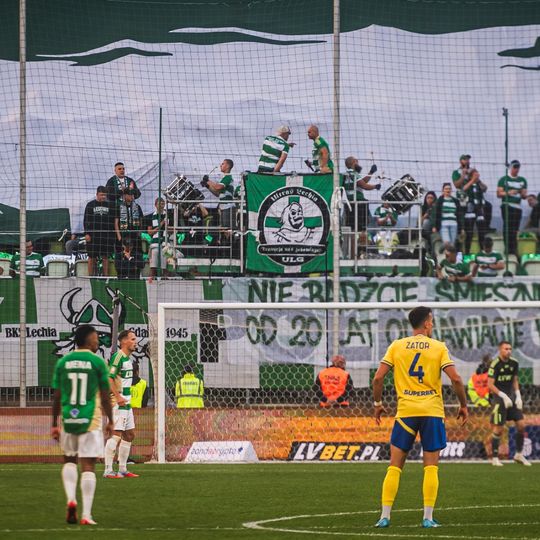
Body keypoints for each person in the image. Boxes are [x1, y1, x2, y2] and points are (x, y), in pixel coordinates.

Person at [372, 306, 468, 528]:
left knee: (395, 466)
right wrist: (463, 405)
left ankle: (384, 516)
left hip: (406, 412)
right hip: (431, 412)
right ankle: (427, 518)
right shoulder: (438, 347)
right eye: (431, 321)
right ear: (426, 323)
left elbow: (378, 378)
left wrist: (378, 404)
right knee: (431, 467)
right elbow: (456, 379)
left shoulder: (397, 346)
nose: (432, 324)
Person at [51, 324, 114, 526]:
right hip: (90, 421)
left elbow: (57, 395)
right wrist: (110, 420)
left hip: (69, 420)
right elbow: (105, 396)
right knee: (88, 466)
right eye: (96, 337)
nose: (98, 340)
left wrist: (54, 424)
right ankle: (86, 515)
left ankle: (71, 499)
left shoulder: (63, 362)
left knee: (69, 461)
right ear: (88, 339)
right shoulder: (97, 362)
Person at [103, 329, 140, 478]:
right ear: (123, 341)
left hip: (127, 402)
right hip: (118, 402)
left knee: (129, 435)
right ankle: (108, 470)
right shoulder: (118, 357)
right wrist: (117, 397)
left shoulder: (128, 360)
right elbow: (109, 378)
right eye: (132, 339)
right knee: (116, 435)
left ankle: (123, 469)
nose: (135, 342)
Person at [488, 341, 531, 467]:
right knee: (498, 429)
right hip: (499, 399)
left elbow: (515, 380)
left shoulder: (514, 363)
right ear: (500, 350)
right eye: (506, 349)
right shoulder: (495, 364)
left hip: (511, 398)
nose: (508, 351)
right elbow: (490, 385)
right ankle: (495, 458)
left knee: (521, 425)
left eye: (510, 349)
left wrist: (518, 396)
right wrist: (502, 395)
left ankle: (518, 454)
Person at [83, 186, 116, 276]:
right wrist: (86, 234)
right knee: (92, 257)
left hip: (106, 236)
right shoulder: (90, 205)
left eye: (105, 195)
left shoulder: (110, 206)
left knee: (106, 257)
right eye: (101, 195)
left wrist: (112, 235)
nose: (103, 197)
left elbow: (113, 222)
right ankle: (91, 276)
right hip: (93, 236)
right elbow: (86, 220)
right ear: (97, 194)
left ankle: (106, 277)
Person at [497, 160, 528, 256]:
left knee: (515, 229)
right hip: (507, 205)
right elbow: (499, 193)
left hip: (517, 207)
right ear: (511, 167)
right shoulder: (504, 179)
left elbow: (524, 196)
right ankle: (507, 248)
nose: (516, 169)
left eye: (518, 167)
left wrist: (523, 193)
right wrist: (509, 192)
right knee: (507, 227)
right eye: (515, 167)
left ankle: (514, 248)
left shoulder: (522, 180)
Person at [201, 159, 235, 235]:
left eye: (223, 164)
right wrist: (207, 186)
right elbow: (217, 193)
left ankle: (231, 242)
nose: (220, 165)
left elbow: (218, 187)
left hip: (228, 207)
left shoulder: (228, 177)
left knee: (227, 229)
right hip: (224, 207)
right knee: (223, 229)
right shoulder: (224, 178)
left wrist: (208, 181)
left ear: (227, 166)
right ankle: (226, 241)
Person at [147, 197, 171, 279]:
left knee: (166, 263)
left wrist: (168, 228)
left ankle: (166, 278)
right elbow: (150, 232)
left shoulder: (169, 215)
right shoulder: (151, 216)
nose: (161, 206)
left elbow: (172, 230)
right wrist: (161, 225)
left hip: (166, 242)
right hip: (155, 243)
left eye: (163, 204)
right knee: (153, 265)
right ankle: (151, 280)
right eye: (159, 204)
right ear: (155, 205)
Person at [115, 188, 145, 254]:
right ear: (124, 195)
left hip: (135, 235)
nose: (131, 196)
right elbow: (116, 223)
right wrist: (119, 237)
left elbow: (141, 220)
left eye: (132, 195)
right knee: (123, 254)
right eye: (129, 194)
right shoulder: (119, 207)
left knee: (136, 254)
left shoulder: (137, 207)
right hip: (123, 234)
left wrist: (139, 233)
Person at [433, 183, 461, 248]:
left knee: (452, 244)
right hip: (443, 224)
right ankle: (442, 248)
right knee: (447, 242)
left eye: (449, 189)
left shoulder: (455, 201)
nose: (448, 190)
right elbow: (435, 214)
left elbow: (459, 214)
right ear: (443, 190)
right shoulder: (439, 201)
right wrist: (434, 226)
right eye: (446, 189)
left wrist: (461, 228)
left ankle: (447, 253)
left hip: (454, 224)